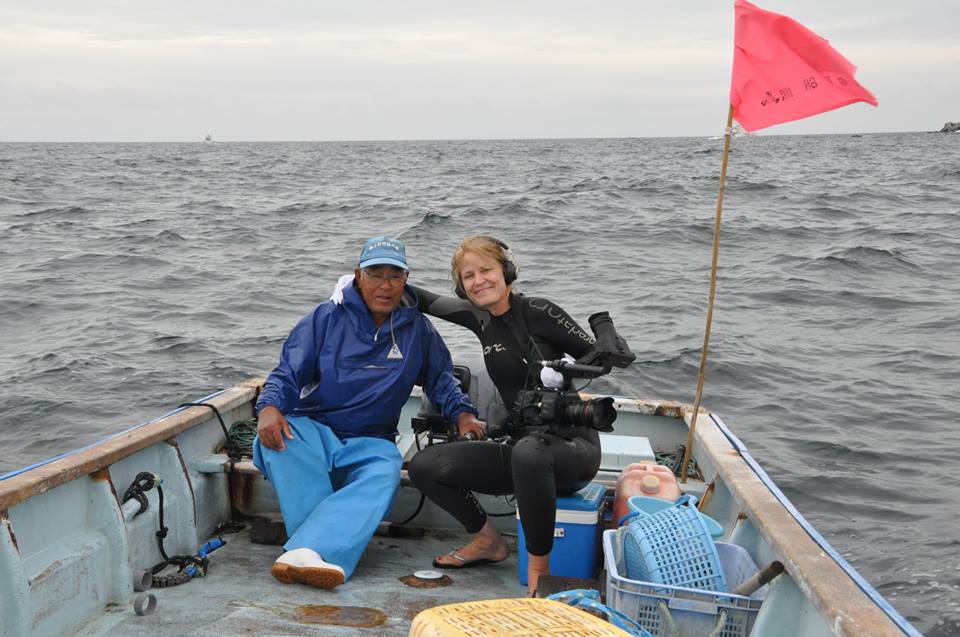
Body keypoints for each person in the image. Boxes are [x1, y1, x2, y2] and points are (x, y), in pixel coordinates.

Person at [253, 236, 482, 590]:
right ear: (358, 275)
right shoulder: (325, 317)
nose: (385, 286)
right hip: (314, 428)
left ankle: (305, 551)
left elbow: (440, 380)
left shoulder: (418, 328)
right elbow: (287, 374)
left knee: (385, 470)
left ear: (406, 280)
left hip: (371, 439)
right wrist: (268, 408)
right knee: (281, 442)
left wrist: (463, 414)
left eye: (395, 276)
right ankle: (318, 551)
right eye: (376, 274)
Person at [406, 236, 601, 594]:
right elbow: (425, 301)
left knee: (529, 453)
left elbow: (599, 357)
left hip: (573, 450)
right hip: (523, 449)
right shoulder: (479, 319)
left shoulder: (539, 311)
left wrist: (564, 371)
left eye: (486, 270)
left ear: (507, 271)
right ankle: (488, 542)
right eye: (468, 276)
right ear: (461, 286)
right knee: (425, 466)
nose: (478, 281)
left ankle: (539, 574)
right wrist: (367, 280)